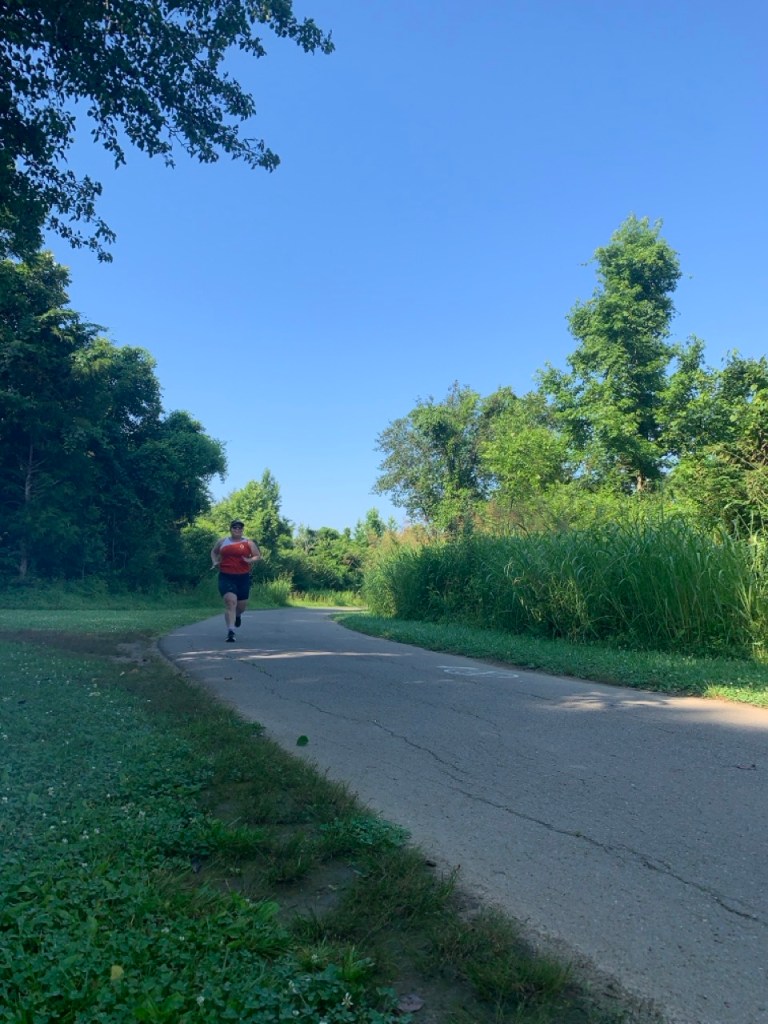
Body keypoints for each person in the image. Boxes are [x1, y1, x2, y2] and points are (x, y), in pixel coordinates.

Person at [210, 519, 262, 642]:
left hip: (243, 577)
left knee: (241, 606)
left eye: (240, 528)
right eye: (235, 527)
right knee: (230, 601)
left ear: (242, 530)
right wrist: (215, 561)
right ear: (231, 529)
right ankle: (231, 631)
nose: (237, 530)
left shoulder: (248, 543)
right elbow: (214, 551)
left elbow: (257, 555)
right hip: (226, 575)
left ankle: (237, 616)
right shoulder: (223, 541)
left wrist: (250, 560)